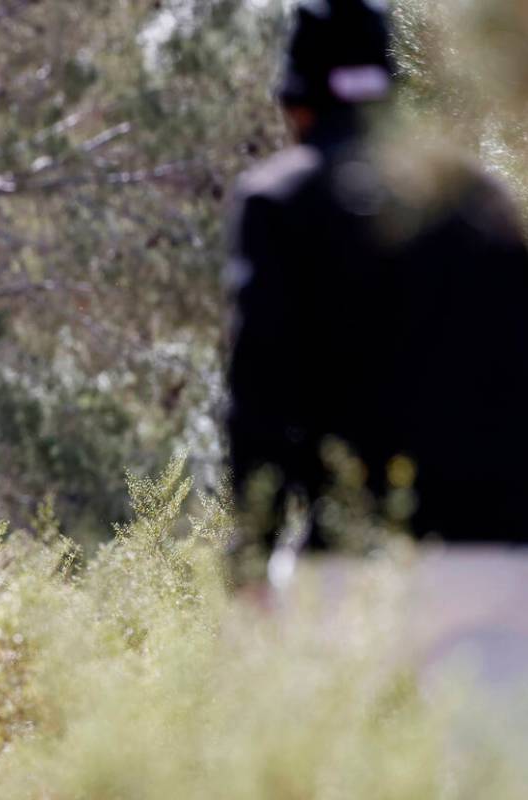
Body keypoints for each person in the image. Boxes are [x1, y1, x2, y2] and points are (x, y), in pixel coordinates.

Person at [225, 0, 528, 698]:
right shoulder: (477, 197)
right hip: (495, 555)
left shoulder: (278, 200)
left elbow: (260, 392)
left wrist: (251, 553)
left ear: (293, 104)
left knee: (333, 768)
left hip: (350, 561)